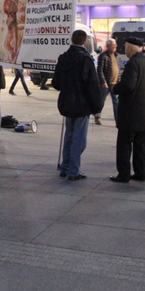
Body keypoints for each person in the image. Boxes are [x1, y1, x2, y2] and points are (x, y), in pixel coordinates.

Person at [52, 29, 101, 181]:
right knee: (79, 139)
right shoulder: (86, 59)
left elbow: (56, 83)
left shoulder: (63, 57)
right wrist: (96, 108)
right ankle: (73, 170)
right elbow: (92, 85)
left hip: (66, 102)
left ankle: (65, 167)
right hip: (81, 104)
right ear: (84, 41)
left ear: (71, 40)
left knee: (69, 135)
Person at [110, 36, 145, 183]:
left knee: (124, 145)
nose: (125, 51)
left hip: (131, 112)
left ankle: (123, 174)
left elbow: (128, 85)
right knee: (140, 146)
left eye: (126, 47)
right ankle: (140, 173)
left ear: (130, 47)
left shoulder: (133, 63)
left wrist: (115, 88)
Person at [95, 38, 120, 125]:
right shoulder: (103, 56)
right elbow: (100, 70)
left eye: (115, 45)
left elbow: (118, 69)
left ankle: (118, 121)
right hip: (106, 84)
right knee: (101, 101)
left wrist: (119, 81)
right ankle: (97, 116)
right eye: (113, 46)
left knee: (116, 102)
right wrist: (103, 82)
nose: (115, 47)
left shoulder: (117, 56)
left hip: (115, 84)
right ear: (108, 46)